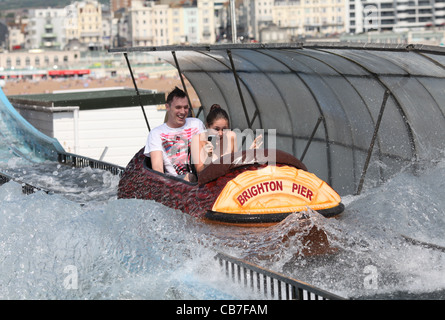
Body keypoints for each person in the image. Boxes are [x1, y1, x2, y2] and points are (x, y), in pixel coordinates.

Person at [144, 87, 205, 181]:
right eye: (178, 107)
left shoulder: (196, 124)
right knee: (189, 177)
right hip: (176, 181)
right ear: (167, 107)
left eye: (185, 107)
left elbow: (206, 152)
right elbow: (158, 170)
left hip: (200, 172)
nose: (182, 112)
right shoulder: (156, 133)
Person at [190, 104, 238, 174]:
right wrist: (209, 157)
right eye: (216, 129)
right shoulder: (197, 140)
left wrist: (251, 153)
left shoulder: (231, 136)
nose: (221, 133)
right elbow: (199, 171)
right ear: (207, 126)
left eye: (224, 129)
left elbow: (235, 164)